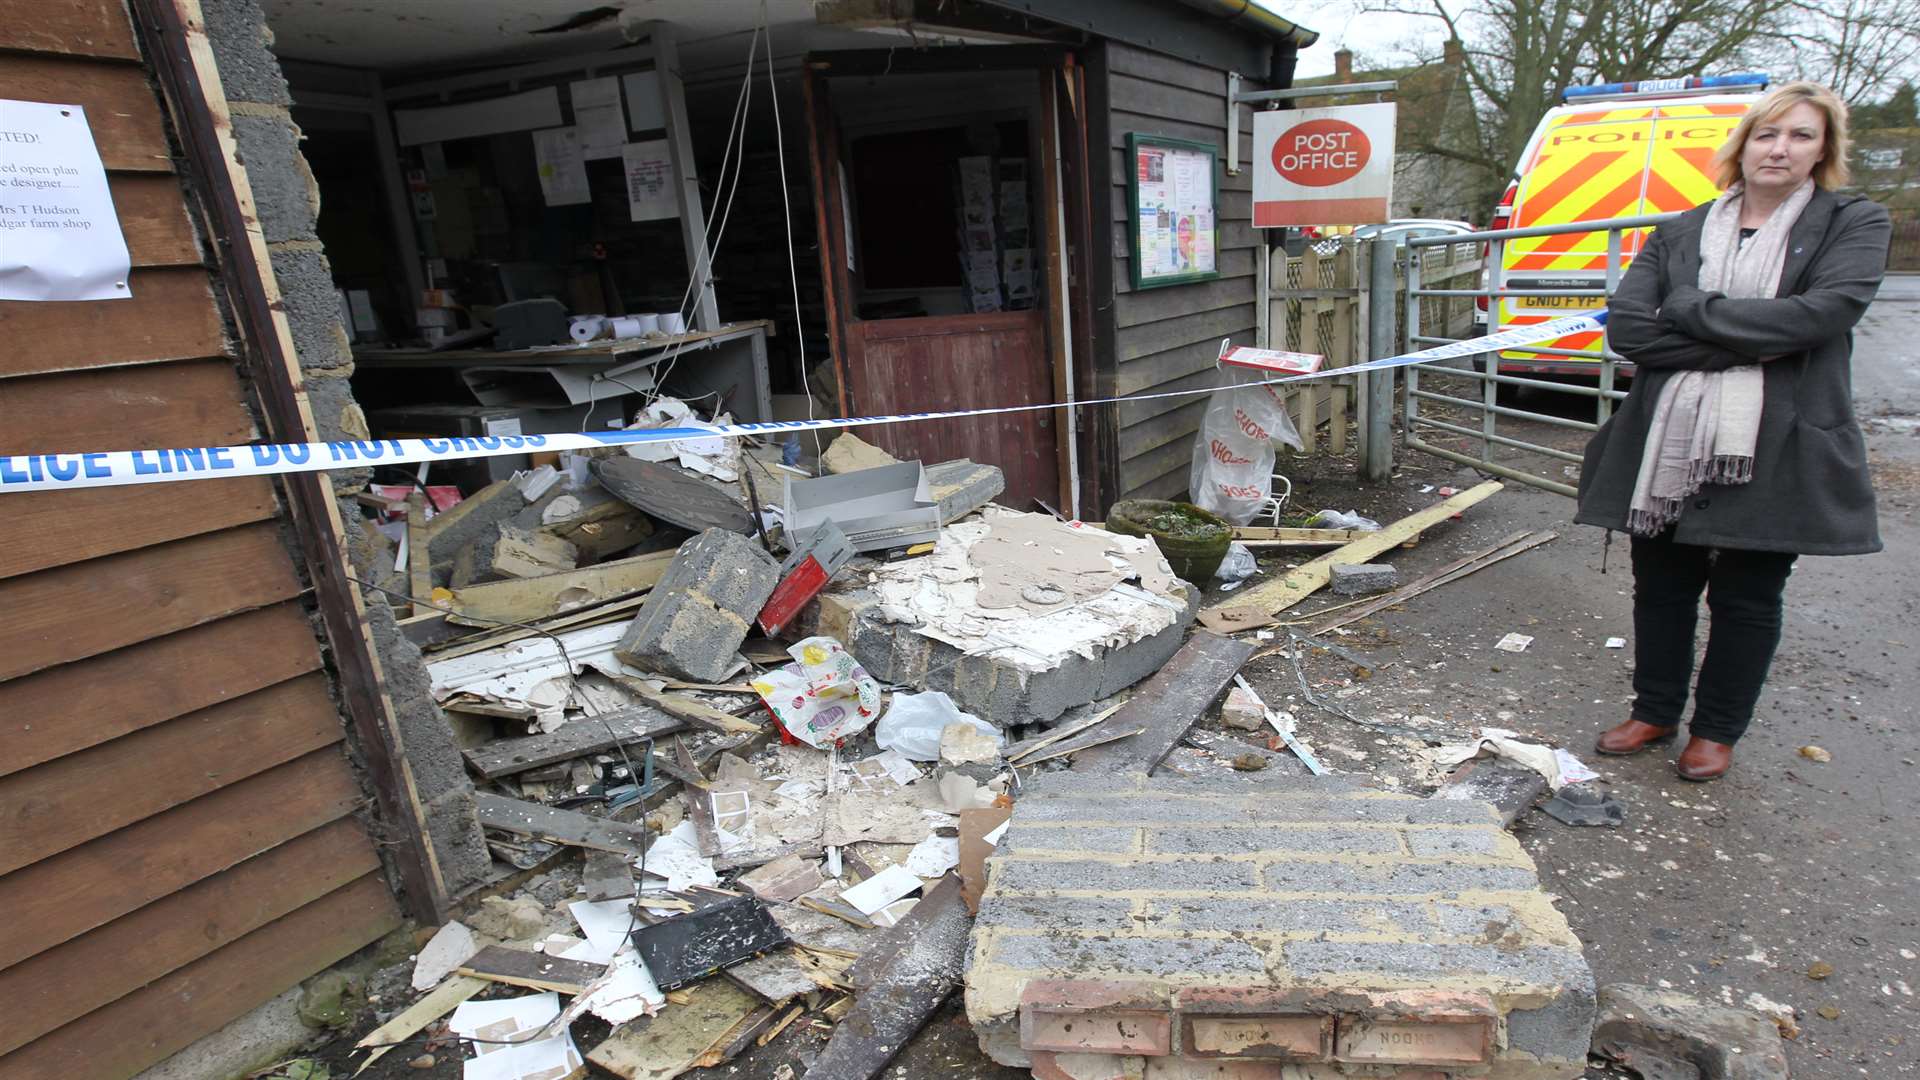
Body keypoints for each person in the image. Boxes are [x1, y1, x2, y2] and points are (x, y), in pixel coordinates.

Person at [1575, 81, 1891, 781]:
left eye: (1801, 136)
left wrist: (1686, 310)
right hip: (1666, 437)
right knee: (1660, 582)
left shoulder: (1853, 222)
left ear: (1823, 150)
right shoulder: (1681, 230)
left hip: (1779, 439)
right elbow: (1630, 328)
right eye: (1767, 134)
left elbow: (1822, 315)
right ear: (1742, 144)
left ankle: (1716, 730)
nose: (1780, 148)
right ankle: (1655, 709)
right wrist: (1752, 337)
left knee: (1748, 591)